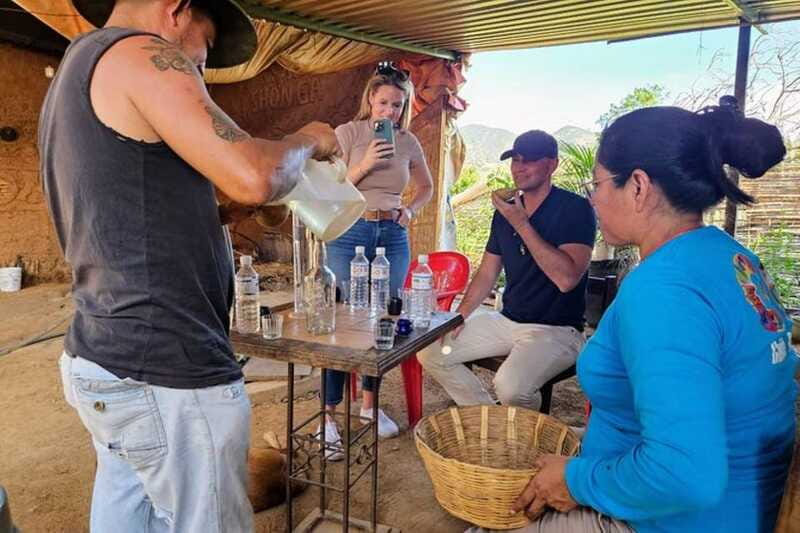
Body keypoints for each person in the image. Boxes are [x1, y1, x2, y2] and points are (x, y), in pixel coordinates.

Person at [40, 1, 338, 531]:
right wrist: (309, 139)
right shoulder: (142, 52)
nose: (198, 71)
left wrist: (222, 214)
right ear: (175, 10)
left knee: (126, 510)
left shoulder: (77, 69)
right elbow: (255, 175)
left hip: (106, 354)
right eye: (201, 56)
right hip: (167, 371)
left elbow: (130, 207)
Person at [471, 103, 795, 533]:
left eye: (598, 184)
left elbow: (685, 474)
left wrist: (575, 480)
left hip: (668, 520)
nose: (594, 198)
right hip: (735, 504)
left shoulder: (665, 289)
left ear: (638, 186)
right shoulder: (731, 257)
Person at [418, 130, 595, 411]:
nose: (518, 168)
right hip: (507, 321)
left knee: (511, 387)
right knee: (433, 351)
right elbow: (488, 273)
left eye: (529, 160)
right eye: (515, 160)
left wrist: (522, 224)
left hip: (557, 331)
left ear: (552, 165)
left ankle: (525, 433)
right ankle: (489, 417)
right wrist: (458, 317)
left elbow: (566, 279)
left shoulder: (575, 209)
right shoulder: (506, 212)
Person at [320, 61, 434, 451]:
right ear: (370, 99)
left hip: (392, 233)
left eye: (398, 105)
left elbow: (426, 187)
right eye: (384, 102)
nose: (391, 112)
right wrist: (366, 162)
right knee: (341, 320)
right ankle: (328, 416)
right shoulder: (347, 133)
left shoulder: (408, 142)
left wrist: (411, 211)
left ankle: (369, 405)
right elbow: (331, 188)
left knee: (384, 317)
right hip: (349, 229)